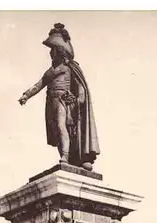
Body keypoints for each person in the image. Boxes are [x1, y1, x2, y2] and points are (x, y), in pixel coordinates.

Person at [18, 23, 100, 171]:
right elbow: (40, 84)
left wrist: (79, 99)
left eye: (53, 50)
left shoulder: (70, 68)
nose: (50, 53)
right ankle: (66, 156)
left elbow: (81, 86)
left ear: (59, 51)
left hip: (64, 101)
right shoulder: (50, 71)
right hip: (51, 102)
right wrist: (26, 95)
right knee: (56, 130)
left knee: (62, 127)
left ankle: (65, 156)